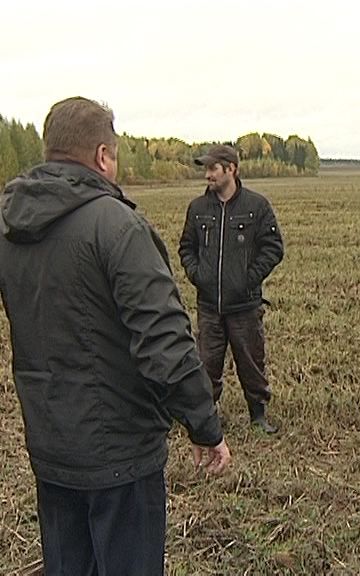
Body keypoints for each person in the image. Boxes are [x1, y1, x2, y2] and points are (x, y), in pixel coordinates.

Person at [0, 96, 231, 575]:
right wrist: (203, 425)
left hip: (50, 444)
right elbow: (165, 341)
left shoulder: (8, 226)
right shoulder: (116, 225)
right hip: (120, 454)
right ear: (103, 155)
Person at [179, 144, 284, 434]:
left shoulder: (256, 206)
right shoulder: (198, 209)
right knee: (206, 365)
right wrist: (198, 275)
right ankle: (206, 419)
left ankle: (258, 416)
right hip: (209, 306)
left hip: (245, 305)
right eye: (206, 169)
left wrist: (249, 279)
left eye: (213, 168)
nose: (207, 175)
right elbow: (186, 247)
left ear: (231, 169)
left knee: (251, 361)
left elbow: (273, 248)